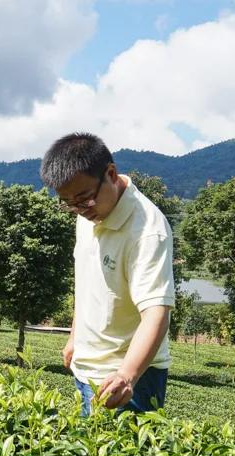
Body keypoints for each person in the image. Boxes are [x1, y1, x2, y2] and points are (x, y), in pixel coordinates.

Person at [39, 133, 175, 416]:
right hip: (85, 367)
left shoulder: (147, 231)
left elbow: (157, 313)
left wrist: (126, 376)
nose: (78, 210)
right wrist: (75, 336)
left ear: (110, 174)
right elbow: (89, 280)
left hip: (131, 377)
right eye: (68, 203)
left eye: (84, 200)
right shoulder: (88, 212)